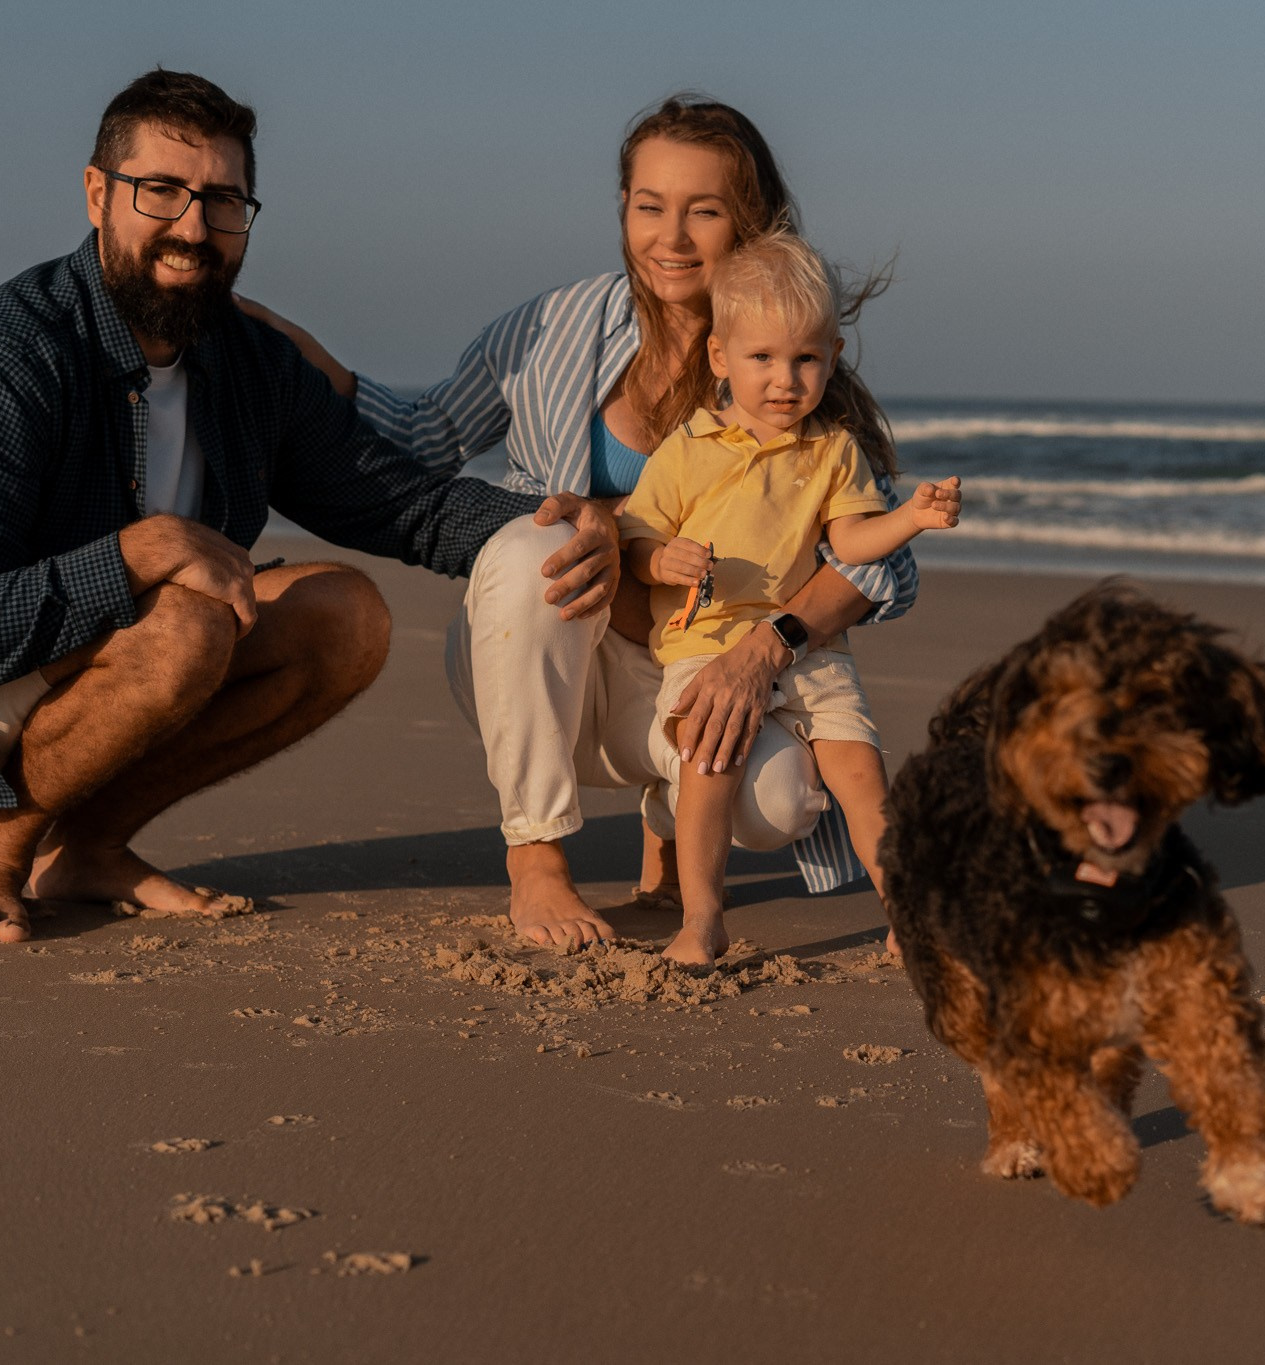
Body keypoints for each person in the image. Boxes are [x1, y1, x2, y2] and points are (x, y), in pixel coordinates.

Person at [0, 69, 550, 943]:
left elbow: (403, 505)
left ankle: (91, 847)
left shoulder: (247, 362)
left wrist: (571, 527)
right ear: (96, 194)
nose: (193, 228)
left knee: (346, 613)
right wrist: (134, 553)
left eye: (223, 200)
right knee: (188, 621)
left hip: (97, 676)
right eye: (162, 192)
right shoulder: (2, 360)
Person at [244, 97, 919, 953]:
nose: (671, 238)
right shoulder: (548, 330)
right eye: (649, 206)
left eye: (703, 211)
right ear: (623, 208)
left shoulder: (790, 356)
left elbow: (880, 570)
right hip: (561, 657)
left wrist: (765, 651)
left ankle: (671, 831)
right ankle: (538, 866)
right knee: (540, 540)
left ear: (749, 219)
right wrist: (274, 341)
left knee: (779, 802)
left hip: (716, 667)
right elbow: (421, 435)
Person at [620, 232, 960, 963]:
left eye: (806, 359)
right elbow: (636, 542)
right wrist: (662, 559)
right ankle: (703, 915)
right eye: (763, 358)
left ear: (832, 358)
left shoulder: (833, 450)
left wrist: (911, 518)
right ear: (720, 357)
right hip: (706, 641)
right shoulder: (687, 448)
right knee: (712, 760)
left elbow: (854, 545)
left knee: (859, 765)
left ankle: (906, 911)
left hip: (811, 647)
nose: (785, 380)